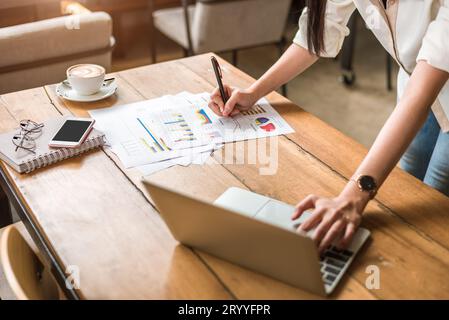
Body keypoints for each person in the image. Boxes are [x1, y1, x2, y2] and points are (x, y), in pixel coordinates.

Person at [208, 0, 449, 252]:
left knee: (433, 204)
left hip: (424, 91)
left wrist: (352, 197)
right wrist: (252, 93)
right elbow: (318, 32)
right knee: (406, 189)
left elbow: (419, 96)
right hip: (416, 85)